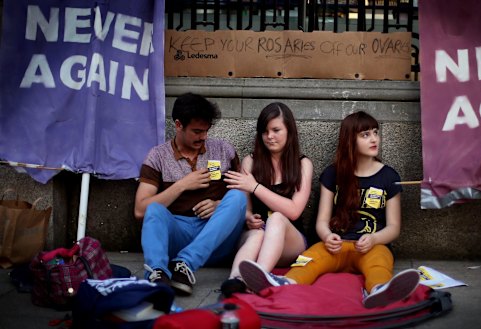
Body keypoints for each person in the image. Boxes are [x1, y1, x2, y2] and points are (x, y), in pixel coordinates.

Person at [238, 111, 420, 309]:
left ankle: (378, 290)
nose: (374, 139)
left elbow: (394, 227)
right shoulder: (332, 174)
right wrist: (326, 236)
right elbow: (322, 221)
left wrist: (375, 239)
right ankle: (284, 283)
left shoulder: (389, 176)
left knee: (380, 263)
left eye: (376, 132)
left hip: (371, 246)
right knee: (310, 259)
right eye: (365, 134)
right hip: (335, 245)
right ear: (350, 139)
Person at [134, 93, 247, 296]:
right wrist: (182, 185)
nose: (203, 137)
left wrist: (219, 205)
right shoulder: (157, 156)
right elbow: (140, 210)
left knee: (237, 198)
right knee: (153, 209)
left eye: (206, 131)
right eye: (196, 131)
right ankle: (158, 274)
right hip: (178, 235)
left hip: (217, 240)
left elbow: (242, 196)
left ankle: (185, 264)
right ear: (178, 125)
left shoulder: (224, 150)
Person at [221, 102, 313, 297]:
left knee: (278, 218)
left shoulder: (303, 164)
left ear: (289, 130)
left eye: (276, 130)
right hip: (257, 236)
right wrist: (248, 217)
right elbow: (244, 207)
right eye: (265, 131)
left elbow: (294, 210)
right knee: (257, 234)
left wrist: (255, 186)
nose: (269, 136)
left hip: (290, 242)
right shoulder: (250, 162)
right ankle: (235, 281)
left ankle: (259, 277)